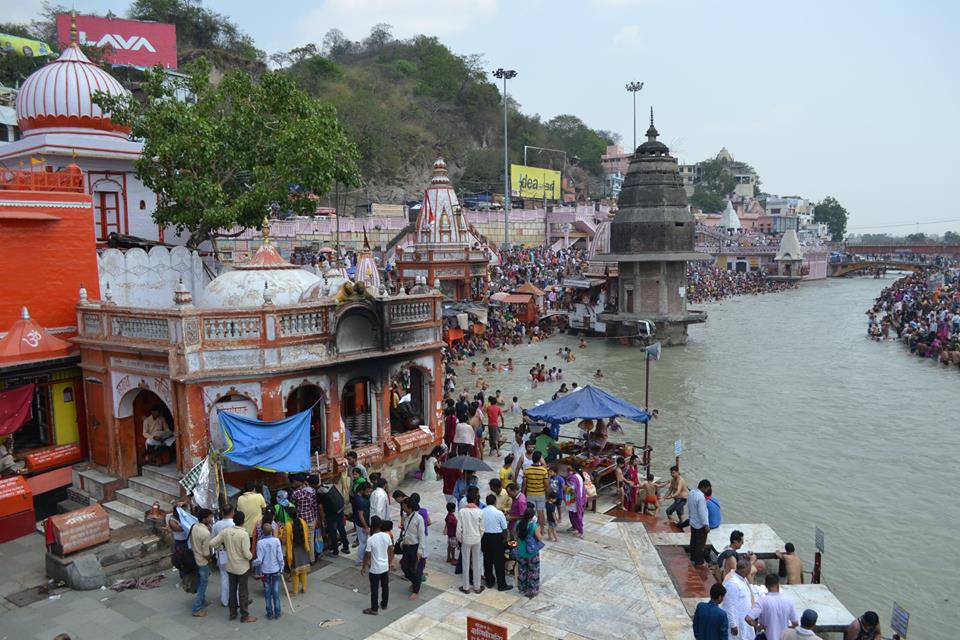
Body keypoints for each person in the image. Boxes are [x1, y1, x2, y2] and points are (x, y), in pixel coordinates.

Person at [208, 511, 255, 623]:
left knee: (232, 591)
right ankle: (245, 616)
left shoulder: (226, 532)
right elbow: (246, 553)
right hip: (242, 568)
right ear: (243, 521)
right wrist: (251, 556)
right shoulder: (243, 534)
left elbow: (212, 543)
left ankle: (232, 613)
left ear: (234, 520)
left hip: (230, 567)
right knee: (243, 592)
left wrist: (221, 547)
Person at [746, 574, 799, 640]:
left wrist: (758, 626)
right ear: (778, 584)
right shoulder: (789, 601)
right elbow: (795, 623)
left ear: (766, 585)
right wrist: (786, 629)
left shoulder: (762, 602)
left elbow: (748, 619)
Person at [361, 518, 395, 615]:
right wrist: (389, 562)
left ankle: (374, 609)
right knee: (385, 586)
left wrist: (363, 566)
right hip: (385, 566)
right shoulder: (386, 536)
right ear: (380, 526)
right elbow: (390, 550)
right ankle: (384, 604)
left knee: (374, 589)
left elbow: (367, 555)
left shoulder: (371, 539)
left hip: (375, 568)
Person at [252, 522, 284, 620]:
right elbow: (280, 557)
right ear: (272, 531)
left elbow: (259, 559)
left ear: (262, 532)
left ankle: (269, 613)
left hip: (265, 571)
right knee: (275, 591)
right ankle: (277, 612)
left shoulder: (260, 543)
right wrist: (282, 567)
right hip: (275, 570)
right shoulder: (276, 541)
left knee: (267, 592)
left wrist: (253, 563)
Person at [481, 493, 511, 591]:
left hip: (485, 537)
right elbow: (505, 528)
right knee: (499, 562)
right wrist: (505, 540)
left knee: (487, 560)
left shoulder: (482, 512)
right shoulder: (498, 513)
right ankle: (501, 585)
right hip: (497, 538)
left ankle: (489, 581)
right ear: (495, 502)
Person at [456, 492, 485, 594]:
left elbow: (459, 529)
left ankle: (466, 587)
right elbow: (482, 529)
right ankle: (477, 587)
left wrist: (461, 539)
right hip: (476, 539)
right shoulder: (480, 512)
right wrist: (478, 537)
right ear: (476, 500)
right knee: (477, 563)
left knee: (465, 562)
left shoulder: (462, 512)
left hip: (466, 539)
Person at [722, 557, 757, 640]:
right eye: (748, 570)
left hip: (744, 619)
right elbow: (729, 606)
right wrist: (733, 625)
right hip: (737, 621)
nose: (749, 572)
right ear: (743, 570)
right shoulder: (733, 584)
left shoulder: (743, 579)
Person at [398, 497, 426, 601]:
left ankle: (416, 590)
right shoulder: (405, 517)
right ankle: (414, 582)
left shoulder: (419, 519)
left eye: (404, 506)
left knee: (415, 569)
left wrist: (420, 551)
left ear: (409, 507)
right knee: (404, 567)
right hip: (406, 546)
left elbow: (422, 536)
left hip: (414, 547)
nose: (403, 508)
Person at [513, 504, 543, 598]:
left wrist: (519, 542)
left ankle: (522, 588)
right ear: (532, 516)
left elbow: (515, 534)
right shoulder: (534, 526)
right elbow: (540, 538)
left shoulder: (518, 523)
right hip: (532, 552)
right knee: (533, 571)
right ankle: (532, 590)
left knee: (522, 570)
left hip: (521, 551)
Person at [189, 509, 213, 618]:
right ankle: (197, 608)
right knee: (203, 584)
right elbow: (206, 552)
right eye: (209, 517)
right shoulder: (206, 533)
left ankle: (202, 601)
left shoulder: (194, 526)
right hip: (202, 561)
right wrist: (210, 560)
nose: (211, 519)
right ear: (204, 519)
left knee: (200, 582)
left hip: (195, 557)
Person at [210, 505, 235, 608]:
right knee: (234, 577)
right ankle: (235, 599)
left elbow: (213, 539)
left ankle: (225, 600)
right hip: (233, 554)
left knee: (224, 576)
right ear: (232, 512)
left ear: (222, 513)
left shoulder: (216, 525)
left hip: (221, 553)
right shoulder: (234, 524)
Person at [317, 482, 350, 557]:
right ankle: (346, 547)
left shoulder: (319, 493)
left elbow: (320, 507)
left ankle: (335, 551)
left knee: (333, 532)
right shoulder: (328, 485)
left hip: (331, 515)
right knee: (342, 530)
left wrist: (323, 519)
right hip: (339, 511)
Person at [289, 475, 317, 563]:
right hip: (311, 518)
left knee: (302, 540)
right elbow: (314, 505)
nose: (293, 483)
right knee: (310, 539)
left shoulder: (295, 493)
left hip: (301, 521)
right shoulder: (312, 491)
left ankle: (304, 559)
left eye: (294, 482)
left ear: (298, 482)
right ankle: (312, 559)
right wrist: (316, 517)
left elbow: (292, 505)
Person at [284, 506, 311, 596]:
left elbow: (285, 539)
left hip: (293, 550)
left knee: (295, 572)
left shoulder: (288, 525)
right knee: (303, 570)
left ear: (289, 515)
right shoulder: (302, 522)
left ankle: (295, 591)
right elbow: (307, 533)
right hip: (303, 548)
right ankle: (304, 587)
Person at [522, 451, 549, 526]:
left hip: (530, 494)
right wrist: (547, 494)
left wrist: (523, 494)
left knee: (530, 513)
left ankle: (531, 528)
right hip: (541, 494)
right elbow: (546, 485)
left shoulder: (527, 470)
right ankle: (542, 530)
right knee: (540, 512)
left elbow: (524, 484)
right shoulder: (543, 470)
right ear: (540, 459)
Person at [688, 479, 711, 565]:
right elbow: (702, 513)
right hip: (700, 524)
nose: (707, 490)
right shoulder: (701, 497)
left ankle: (692, 557)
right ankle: (699, 562)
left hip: (693, 521)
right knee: (700, 544)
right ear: (704, 488)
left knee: (693, 540)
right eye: (707, 488)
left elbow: (689, 506)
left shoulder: (691, 493)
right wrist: (706, 525)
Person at [351, 482, 373, 568]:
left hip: (359, 523)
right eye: (367, 492)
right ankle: (359, 560)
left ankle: (362, 559)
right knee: (363, 543)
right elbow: (361, 515)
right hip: (361, 524)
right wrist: (366, 526)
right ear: (361, 491)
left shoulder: (357, 496)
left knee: (363, 542)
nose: (369, 493)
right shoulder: (360, 501)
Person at [565, 464, 586, 538]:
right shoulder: (578, 476)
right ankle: (574, 527)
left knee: (576, 515)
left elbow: (572, 488)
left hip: (573, 499)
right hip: (577, 498)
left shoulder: (573, 478)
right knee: (573, 514)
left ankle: (580, 530)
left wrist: (565, 488)